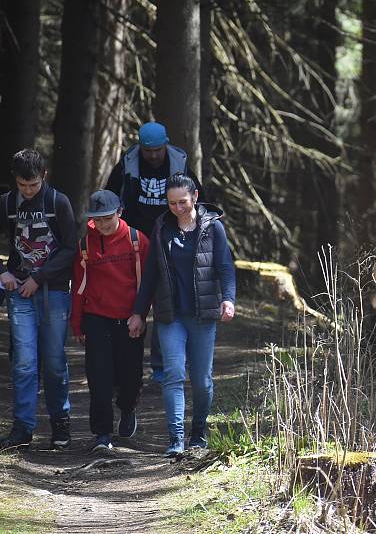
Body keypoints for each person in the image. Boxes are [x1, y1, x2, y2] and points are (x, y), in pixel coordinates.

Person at [128, 174, 235, 457]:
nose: (178, 208)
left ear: (195, 197)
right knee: (174, 374)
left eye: (183, 202)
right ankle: (175, 439)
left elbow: (225, 267)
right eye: (172, 203)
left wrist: (228, 299)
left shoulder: (214, 229)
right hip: (170, 315)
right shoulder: (162, 228)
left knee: (202, 380)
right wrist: (138, 312)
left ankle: (198, 433)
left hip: (203, 315)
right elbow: (150, 274)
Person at [106, 121, 202, 383]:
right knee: (130, 300)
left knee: (165, 301)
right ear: (140, 147)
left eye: (158, 150)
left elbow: (197, 198)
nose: (153, 155)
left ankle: (161, 366)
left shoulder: (178, 164)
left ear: (165, 145)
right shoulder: (129, 164)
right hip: (133, 240)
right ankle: (125, 366)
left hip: (166, 239)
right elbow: (110, 196)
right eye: (148, 151)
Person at [0, 148, 76, 450]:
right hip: (18, 292)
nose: (28, 190)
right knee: (24, 362)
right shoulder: (7, 203)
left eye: (33, 184)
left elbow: (70, 248)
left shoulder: (59, 202)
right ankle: (23, 427)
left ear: (43, 176)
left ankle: (61, 422)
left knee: (55, 361)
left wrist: (39, 278)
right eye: (22, 184)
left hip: (54, 291)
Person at [71, 190, 150, 452]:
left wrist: (141, 314)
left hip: (131, 320)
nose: (103, 224)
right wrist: (77, 323)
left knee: (130, 377)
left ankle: (128, 409)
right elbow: (79, 287)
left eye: (107, 218)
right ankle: (102, 434)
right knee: (99, 378)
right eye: (97, 219)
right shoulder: (85, 245)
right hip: (97, 319)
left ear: (119, 212)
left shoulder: (137, 240)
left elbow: (147, 284)